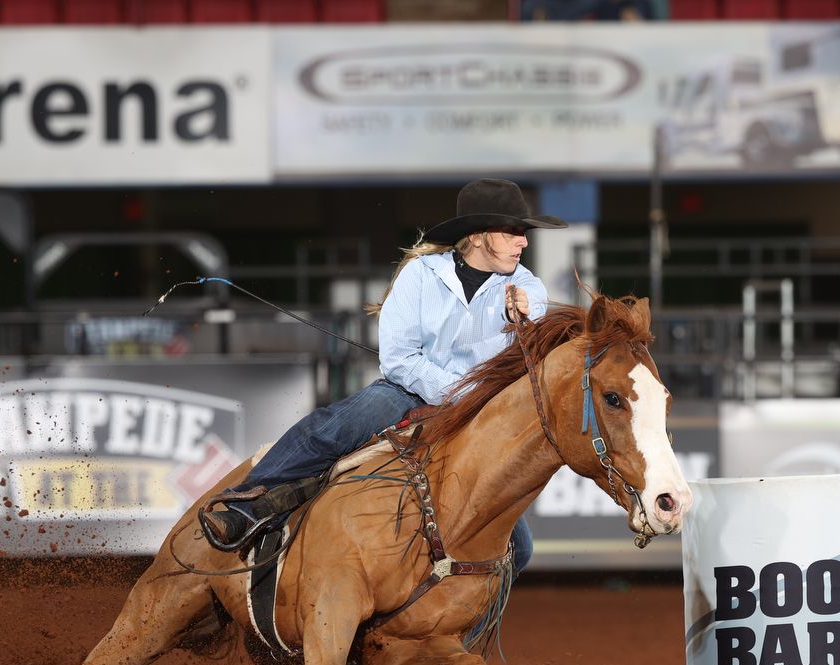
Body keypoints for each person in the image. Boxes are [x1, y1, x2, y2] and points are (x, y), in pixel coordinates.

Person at [198, 178, 566, 569]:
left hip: (480, 413)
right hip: (410, 392)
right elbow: (400, 360)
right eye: (512, 231)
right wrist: (459, 393)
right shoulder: (421, 275)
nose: (523, 242)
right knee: (330, 429)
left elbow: (536, 306)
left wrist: (527, 314)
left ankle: (468, 626)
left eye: (523, 233)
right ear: (477, 237)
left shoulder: (525, 285)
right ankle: (245, 506)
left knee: (519, 551)